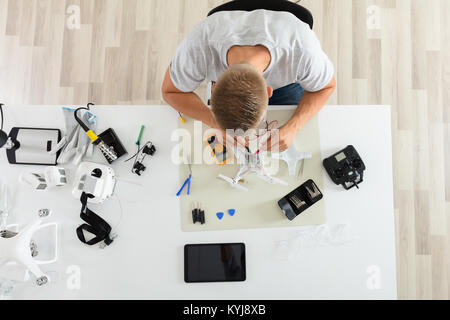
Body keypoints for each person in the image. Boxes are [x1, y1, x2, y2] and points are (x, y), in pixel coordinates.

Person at [161, 0, 336, 151]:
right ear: (214, 87)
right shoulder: (197, 48)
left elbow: (327, 86)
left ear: (269, 91)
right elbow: (170, 92)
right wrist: (213, 122)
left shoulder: (303, 51)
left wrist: (293, 126)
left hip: (287, 84)